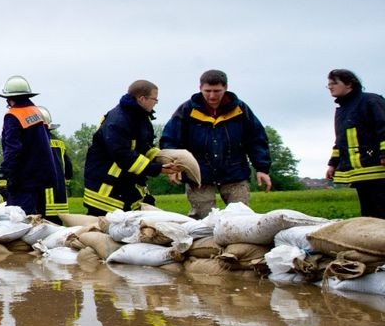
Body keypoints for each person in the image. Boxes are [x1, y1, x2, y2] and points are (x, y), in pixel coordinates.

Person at [160, 69, 272, 218]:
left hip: (235, 173)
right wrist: (174, 166)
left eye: (217, 91)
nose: (212, 96)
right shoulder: (187, 110)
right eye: (207, 91)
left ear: (225, 88)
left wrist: (262, 168)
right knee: (203, 219)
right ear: (200, 88)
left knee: (242, 218)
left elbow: (256, 138)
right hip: (198, 174)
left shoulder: (240, 109)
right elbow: (170, 139)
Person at [83, 80, 180, 215]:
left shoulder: (141, 118)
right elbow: (123, 155)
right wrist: (157, 169)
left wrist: (164, 158)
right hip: (106, 192)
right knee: (104, 230)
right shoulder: (118, 120)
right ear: (142, 99)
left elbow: (145, 147)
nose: (155, 103)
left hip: (125, 184)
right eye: (154, 99)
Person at [0, 76, 63, 217]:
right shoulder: (37, 112)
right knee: (39, 221)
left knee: (20, 222)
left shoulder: (13, 116)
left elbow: (13, 149)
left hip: (23, 181)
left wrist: (5, 173)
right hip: (41, 178)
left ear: (10, 98)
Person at [326, 69, 385, 218]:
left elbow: (383, 128)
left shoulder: (371, 101)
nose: (330, 87)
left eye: (334, 83)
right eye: (328, 84)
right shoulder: (342, 110)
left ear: (349, 84)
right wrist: (333, 163)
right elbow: (340, 141)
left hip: (377, 168)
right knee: (368, 216)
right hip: (360, 172)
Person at [38, 106, 72, 220]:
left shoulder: (37, 141)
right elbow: (68, 166)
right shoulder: (59, 142)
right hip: (60, 193)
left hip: (44, 195)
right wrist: (66, 180)